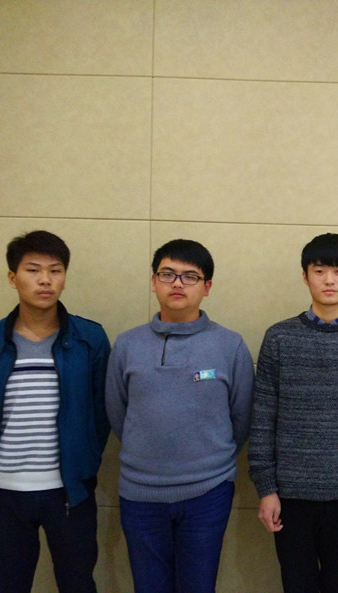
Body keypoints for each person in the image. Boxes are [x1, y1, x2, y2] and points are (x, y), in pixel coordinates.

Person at [0, 230, 111, 593]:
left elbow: (101, 412)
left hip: (70, 491)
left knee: (78, 584)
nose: (45, 280)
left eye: (55, 270)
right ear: (12, 278)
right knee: (8, 585)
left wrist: (85, 461)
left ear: (64, 277)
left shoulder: (90, 339)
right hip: (4, 492)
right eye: (33, 270)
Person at [105, 239, 254, 593]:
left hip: (208, 492)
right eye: (167, 274)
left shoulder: (230, 345)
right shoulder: (127, 345)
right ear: (153, 281)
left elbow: (242, 416)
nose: (177, 283)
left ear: (207, 287)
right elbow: (116, 411)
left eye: (190, 276)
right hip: (140, 495)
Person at [248, 233, 338, 593]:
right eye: (319, 270)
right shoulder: (279, 338)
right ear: (305, 276)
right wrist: (266, 488)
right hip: (290, 495)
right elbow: (263, 417)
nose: (329, 280)